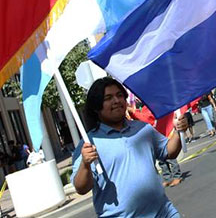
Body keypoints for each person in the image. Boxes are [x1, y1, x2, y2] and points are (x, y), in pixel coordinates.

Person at [71, 78, 188, 217]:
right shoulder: (88, 144)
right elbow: (81, 188)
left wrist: (178, 131)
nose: (116, 101)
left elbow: (168, 152)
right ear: (96, 107)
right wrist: (85, 164)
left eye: (119, 95)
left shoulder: (142, 128)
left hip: (165, 212)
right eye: (108, 98)